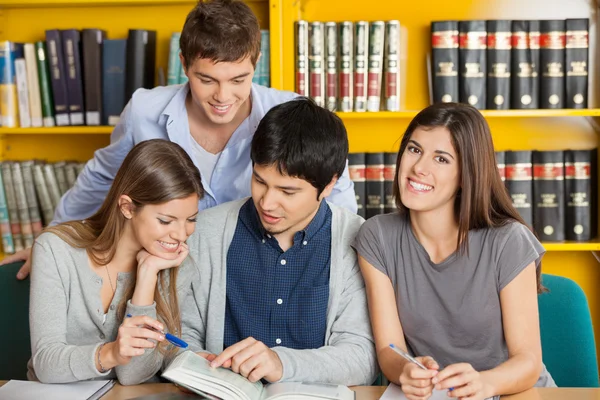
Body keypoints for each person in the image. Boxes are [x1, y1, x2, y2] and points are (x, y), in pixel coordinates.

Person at [3, 0, 357, 279]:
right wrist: (51, 242)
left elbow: (336, 199)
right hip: (162, 267)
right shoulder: (144, 110)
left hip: (254, 273)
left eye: (238, 79)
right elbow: (99, 182)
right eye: (207, 79)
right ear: (184, 63)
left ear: (257, 62)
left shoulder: (290, 114)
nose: (223, 96)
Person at [123, 98, 378, 386]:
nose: (267, 202)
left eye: (287, 191)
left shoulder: (359, 240)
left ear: (329, 184)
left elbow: (362, 358)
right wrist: (197, 361)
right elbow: (178, 336)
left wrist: (281, 364)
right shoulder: (205, 231)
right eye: (259, 180)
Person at [352, 102, 556, 400]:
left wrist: (484, 383)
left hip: (514, 393)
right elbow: (389, 349)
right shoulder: (377, 236)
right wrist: (405, 370)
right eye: (414, 149)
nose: (419, 168)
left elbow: (528, 363)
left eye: (442, 159)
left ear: (466, 174)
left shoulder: (509, 241)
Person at [27, 139, 203, 385]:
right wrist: (112, 352)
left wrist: (147, 276)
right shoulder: (56, 249)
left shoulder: (175, 266)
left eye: (191, 219)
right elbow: (45, 364)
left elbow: (133, 376)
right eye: (165, 221)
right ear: (128, 207)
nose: (181, 235)